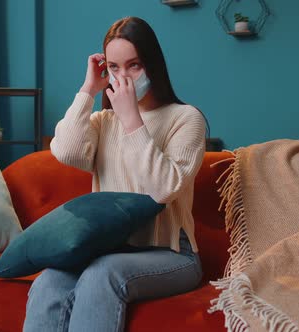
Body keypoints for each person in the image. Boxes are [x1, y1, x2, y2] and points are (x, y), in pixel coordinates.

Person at [24, 16, 207, 332]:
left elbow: (163, 189)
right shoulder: (103, 122)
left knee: (103, 273)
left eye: (134, 66)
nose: (124, 78)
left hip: (174, 254)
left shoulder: (186, 119)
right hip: (110, 247)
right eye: (114, 68)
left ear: (152, 65)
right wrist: (88, 89)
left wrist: (132, 120)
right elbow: (65, 151)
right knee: (49, 281)